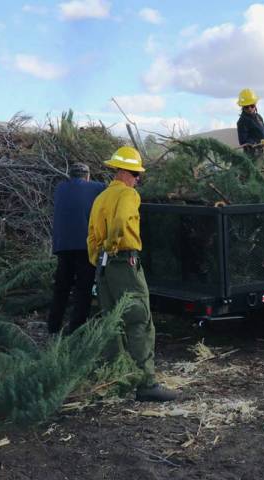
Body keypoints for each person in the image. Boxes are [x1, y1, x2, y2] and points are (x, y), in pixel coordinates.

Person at [87, 146, 178, 402]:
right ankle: (147, 384)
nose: (138, 180)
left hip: (104, 270)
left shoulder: (101, 197)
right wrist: (114, 245)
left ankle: (118, 381)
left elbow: (91, 235)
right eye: (137, 175)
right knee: (138, 319)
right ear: (128, 173)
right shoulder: (128, 194)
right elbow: (119, 222)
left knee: (111, 323)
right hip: (124, 263)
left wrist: (99, 257)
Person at [48, 162, 105, 335]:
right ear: (87, 176)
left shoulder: (60, 189)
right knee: (84, 289)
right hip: (84, 246)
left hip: (62, 246)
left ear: (70, 175)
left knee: (62, 287)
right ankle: (76, 329)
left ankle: (53, 327)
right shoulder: (98, 187)